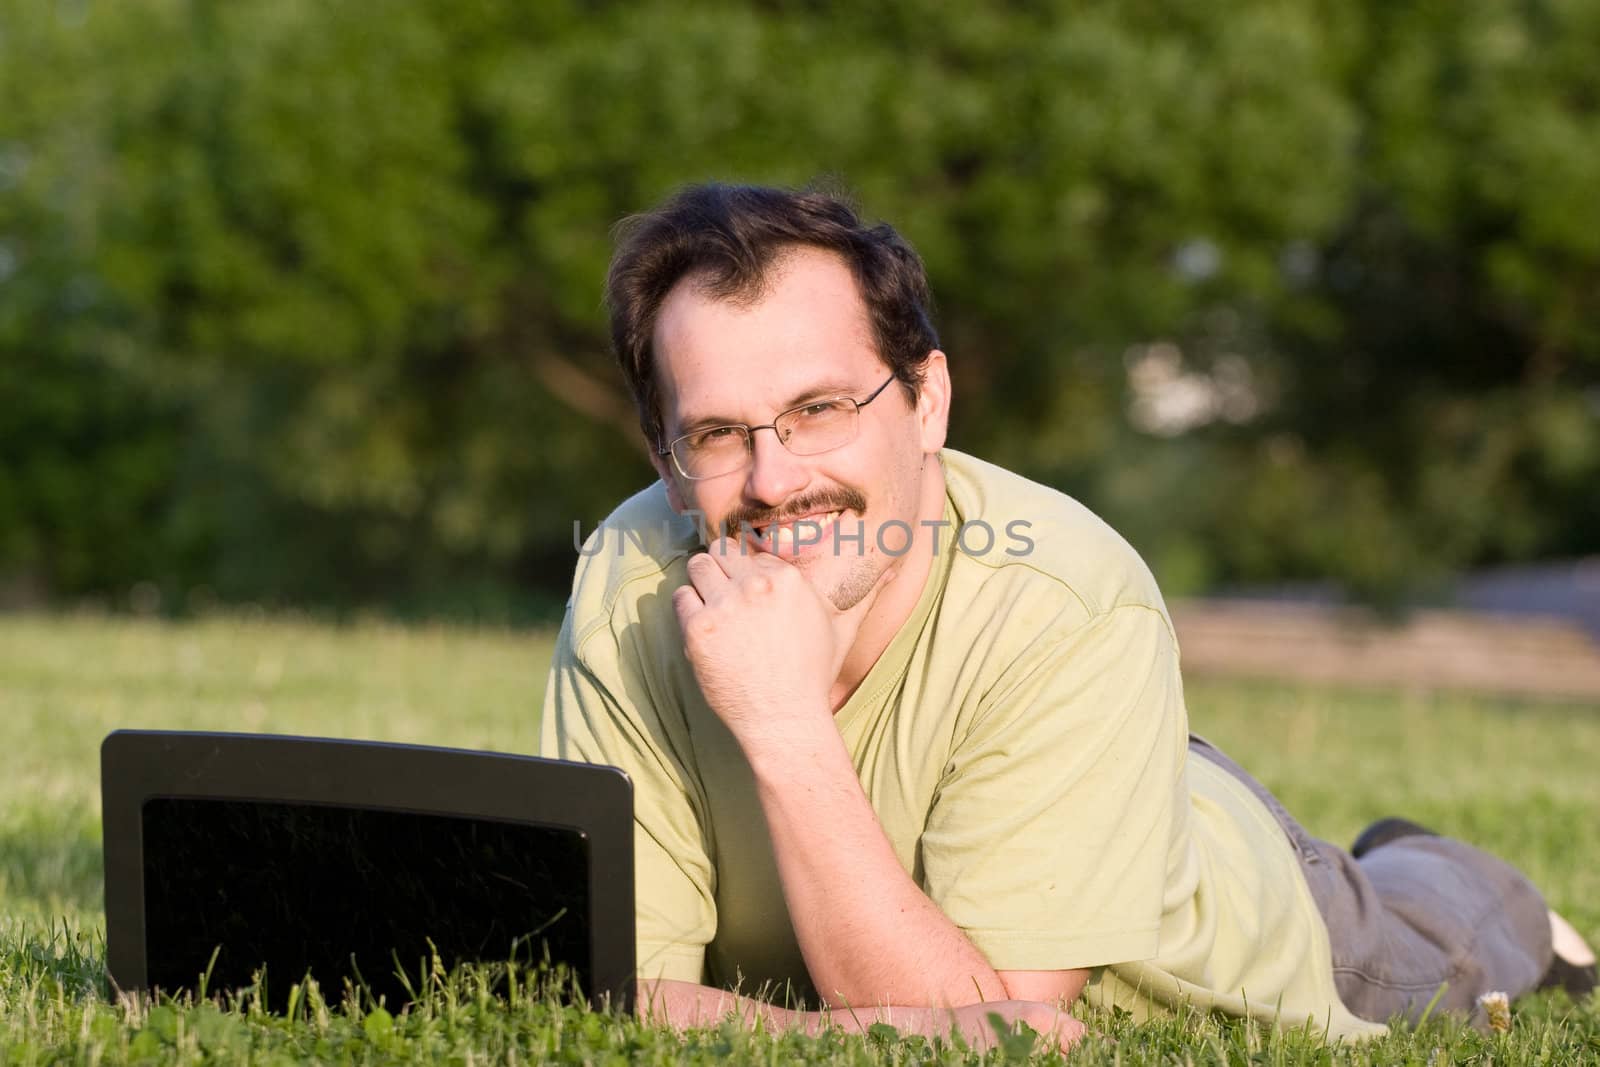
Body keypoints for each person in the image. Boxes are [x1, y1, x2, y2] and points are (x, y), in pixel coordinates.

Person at [540, 182, 1595, 1048]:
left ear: (927, 402)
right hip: (1047, 779)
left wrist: (778, 722)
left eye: (820, 408)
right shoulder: (630, 578)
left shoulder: (1068, 596)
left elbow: (983, 1038)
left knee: (1429, 939)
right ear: (666, 462)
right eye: (720, 433)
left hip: (1210, 887)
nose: (775, 478)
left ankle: (1463, 877)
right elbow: (610, 990)